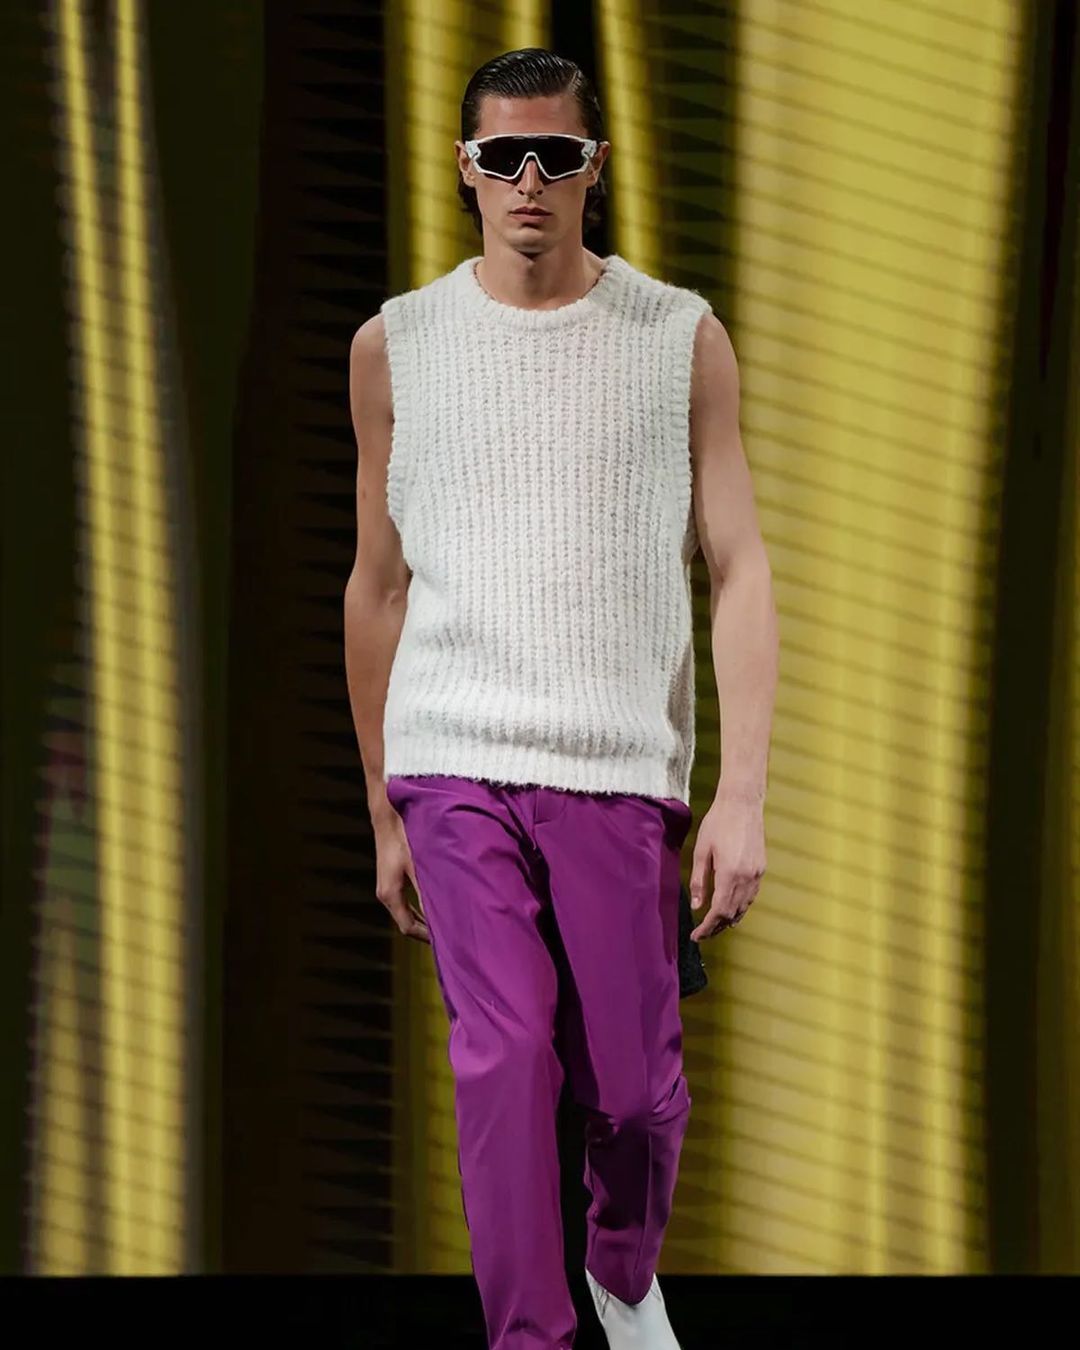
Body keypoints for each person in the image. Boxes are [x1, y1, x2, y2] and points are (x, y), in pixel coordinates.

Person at [344, 46, 778, 1350]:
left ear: (596, 167)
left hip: (618, 767)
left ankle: (622, 1272)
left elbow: (739, 565)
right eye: (502, 156)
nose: (528, 180)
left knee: (632, 1098)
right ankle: (531, 1337)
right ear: (466, 169)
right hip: (453, 759)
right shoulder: (397, 348)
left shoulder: (679, 339)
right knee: (508, 1054)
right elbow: (376, 586)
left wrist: (741, 796)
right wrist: (383, 808)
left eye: (555, 156)